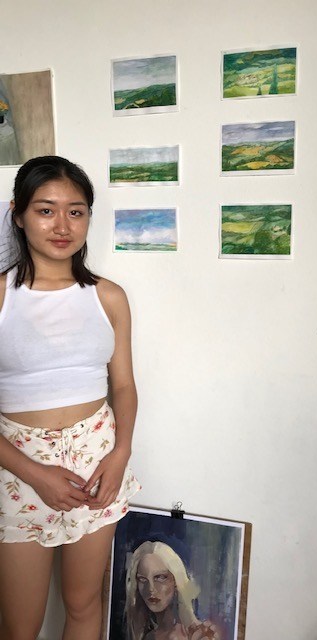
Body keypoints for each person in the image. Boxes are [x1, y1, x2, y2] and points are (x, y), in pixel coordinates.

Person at [0, 155, 141, 639]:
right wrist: (36, 473)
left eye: (76, 212)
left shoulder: (109, 296)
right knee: (20, 625)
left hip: (96, 462)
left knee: (83, 604)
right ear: (19, 214)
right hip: (17, 466)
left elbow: (123, 385)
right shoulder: (1, 297)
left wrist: (121, 454)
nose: (62, 226)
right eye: (46, 210)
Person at [125, 540, 220, 640]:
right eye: (143, 579)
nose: (151, 588)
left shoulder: (199, 634)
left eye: (160, 577)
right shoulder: (149, 637)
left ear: (176, 581)